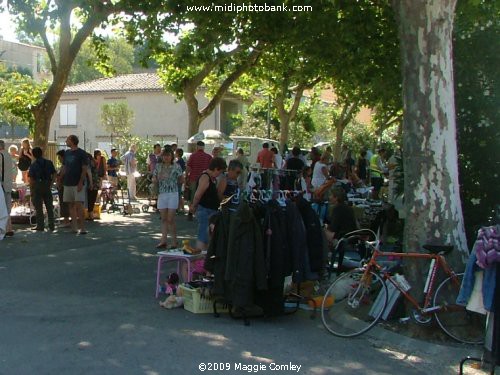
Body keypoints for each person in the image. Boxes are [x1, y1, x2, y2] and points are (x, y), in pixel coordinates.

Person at [189, 157, 227, 251]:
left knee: (207, 235)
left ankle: (203, 256)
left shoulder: (212, 178)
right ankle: (199, 257)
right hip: (205, 210)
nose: (220, 174)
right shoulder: (205, 177)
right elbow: (198, 194)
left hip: (210, 210)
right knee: (203, 234)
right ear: (216, 168)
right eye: (220, 171)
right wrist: (193, 206)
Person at [152, 148, 184, 249]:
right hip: (162, 194)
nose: (166, 157)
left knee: (170, 219)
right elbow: (154, 177)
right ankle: (163, 240)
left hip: (172, 193)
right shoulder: (158, 166)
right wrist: (155, 180)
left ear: (172, 156)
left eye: (168, 155)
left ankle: (174, 242)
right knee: (164, 219)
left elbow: (181, 179)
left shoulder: (176, 166)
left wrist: (175, 185)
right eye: (164, 155)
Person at [61, 135, 88, 235]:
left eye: (67, 140)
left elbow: (84, 168)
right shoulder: (67, 153)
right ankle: (74, 227)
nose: (66, 141)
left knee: (79, 204)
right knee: (70, 204)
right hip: (67, 182)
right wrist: (60, 177)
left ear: (72, 141)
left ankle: (83, 228)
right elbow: (64, 167)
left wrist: (81, 182)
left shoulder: (81, 153)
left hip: (77, 182)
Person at [28, 147, 57, 232]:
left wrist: (32, 189)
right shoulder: (49, 162)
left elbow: (31, 179)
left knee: (38, 206)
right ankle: (51, 225)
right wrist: (51, 183)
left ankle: (40, 225)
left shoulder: (33, 165)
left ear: (33, 154)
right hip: (47, 184)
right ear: (42, 153)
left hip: (37, 185)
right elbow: (54, 173)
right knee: (49, 206)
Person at [186, 141, 212, 220]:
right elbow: (210, 169)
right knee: (203, 196)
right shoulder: (208, 157)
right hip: (205, 179)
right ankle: (202, 213)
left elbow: (188, 168)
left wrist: (186, 177)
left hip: (193, 178)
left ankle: (190, 213)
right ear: (203, 147)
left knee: (193, 196)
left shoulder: (192, 156)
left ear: (197, 147)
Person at [0, 140, 14, 237]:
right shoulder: (9, 155)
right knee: (7, 207)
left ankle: (4, 229)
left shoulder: (0, 155)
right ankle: (9, 228)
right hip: (8, 184)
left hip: (2, 184)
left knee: (2, 208)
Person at [55, 149, 70, 227]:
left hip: (63, 186)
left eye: (59, 157)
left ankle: (66, 221)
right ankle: (66, 220)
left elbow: (62, 175)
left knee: (64, 203)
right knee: (65, 203)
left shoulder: (65, 165)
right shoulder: (67, 164)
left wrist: (59, 180)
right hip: (65, 185)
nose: (58, 159)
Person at [86, 151, 100, 221]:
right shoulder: (94, 163)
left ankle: (90, 214)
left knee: (89, 198)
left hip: (91, 182)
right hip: (96, 182)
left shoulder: (88, 163)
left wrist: (91, 183)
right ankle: (90, 214)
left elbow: (89, 173)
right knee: (93, 198)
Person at [175, 148, 186, 213]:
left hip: (178, 179)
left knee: (178, 193)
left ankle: (179, 208)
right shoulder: (181, 161)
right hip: (181, 178)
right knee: (179, 193)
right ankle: (182, 207)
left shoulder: (179, 162)